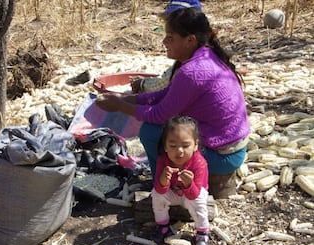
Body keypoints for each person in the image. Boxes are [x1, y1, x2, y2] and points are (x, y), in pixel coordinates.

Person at [95, 8, 250, 199]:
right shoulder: (206, 56)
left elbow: (160, 115)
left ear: (189, 40)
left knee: (151, 133)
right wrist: (125, 99)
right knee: (167, 131)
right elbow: (166, 94)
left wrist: (120, 106)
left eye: (170, 37)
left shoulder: (193, 72)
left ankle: (168, 187)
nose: (164, 42)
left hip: (223, 156)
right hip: (234, 147)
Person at [151, 116, 209, 245]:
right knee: (156, 196)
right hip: (174, 192)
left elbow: (194, 194)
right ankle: (163, 226)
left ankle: (202, 232)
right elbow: (159, 189)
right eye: (173, 146)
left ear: (195, 145)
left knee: (199, 200)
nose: (179, 151)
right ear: (165, 146)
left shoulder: (199, 163)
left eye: (185, 145)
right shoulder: (163, 161)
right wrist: (163, 180)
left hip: (193, 193)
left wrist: (189, 184)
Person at [131, 0, 203, 94]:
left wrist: (142, 84)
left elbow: (164, 86)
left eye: (170, 37)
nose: (164, 42)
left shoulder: (191, 68)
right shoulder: (197, 52)